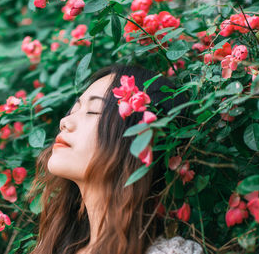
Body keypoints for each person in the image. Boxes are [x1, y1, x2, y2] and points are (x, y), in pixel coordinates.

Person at [28, 64, 203, 254]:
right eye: (74, 110)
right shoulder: (52, 246)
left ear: (136, 137)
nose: (65, 122)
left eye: (93, 111)